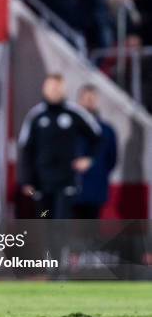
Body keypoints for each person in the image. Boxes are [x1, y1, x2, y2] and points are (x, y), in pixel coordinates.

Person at [18, 74, 102, 219]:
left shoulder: (74, 112)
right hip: (41, 183)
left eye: (58, 88)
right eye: (51, 87)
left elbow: (98, 138)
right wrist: (26, 180)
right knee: (44, 219)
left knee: (62, 221)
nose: (54, 91)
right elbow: (26, 148)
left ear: (64, 90)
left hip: (67, 181)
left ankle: (61, 242)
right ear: (44, 89)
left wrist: (89, 159)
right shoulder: (36, 115)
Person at [73, 84, 117, 218]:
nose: (88, 103)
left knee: (91, 233)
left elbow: (111, 159)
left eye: (92, 99)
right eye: (86, 99)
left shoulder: (106, 131)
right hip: (70, 190)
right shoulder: (69, 128)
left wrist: (94, 166)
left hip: (95, 190)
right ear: (79, 101)